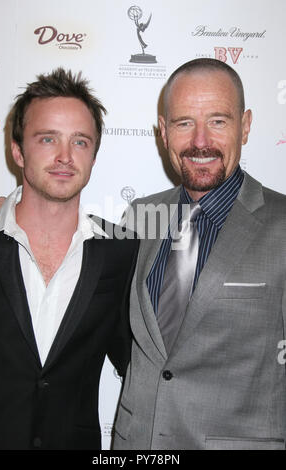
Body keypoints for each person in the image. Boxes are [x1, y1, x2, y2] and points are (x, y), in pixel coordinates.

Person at [112, 58, 286, 450]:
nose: (201, 141)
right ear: (163, 131)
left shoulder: (283, 225)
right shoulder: (140, 215)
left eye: (218, 121)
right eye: (184, 122)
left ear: (246, 125)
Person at [0, 68, 138, 450]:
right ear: (18, 150)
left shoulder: (122, 252)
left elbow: (141, 365)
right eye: (48, 138)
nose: (65, 157)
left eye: (81, 142)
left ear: (94, 156)